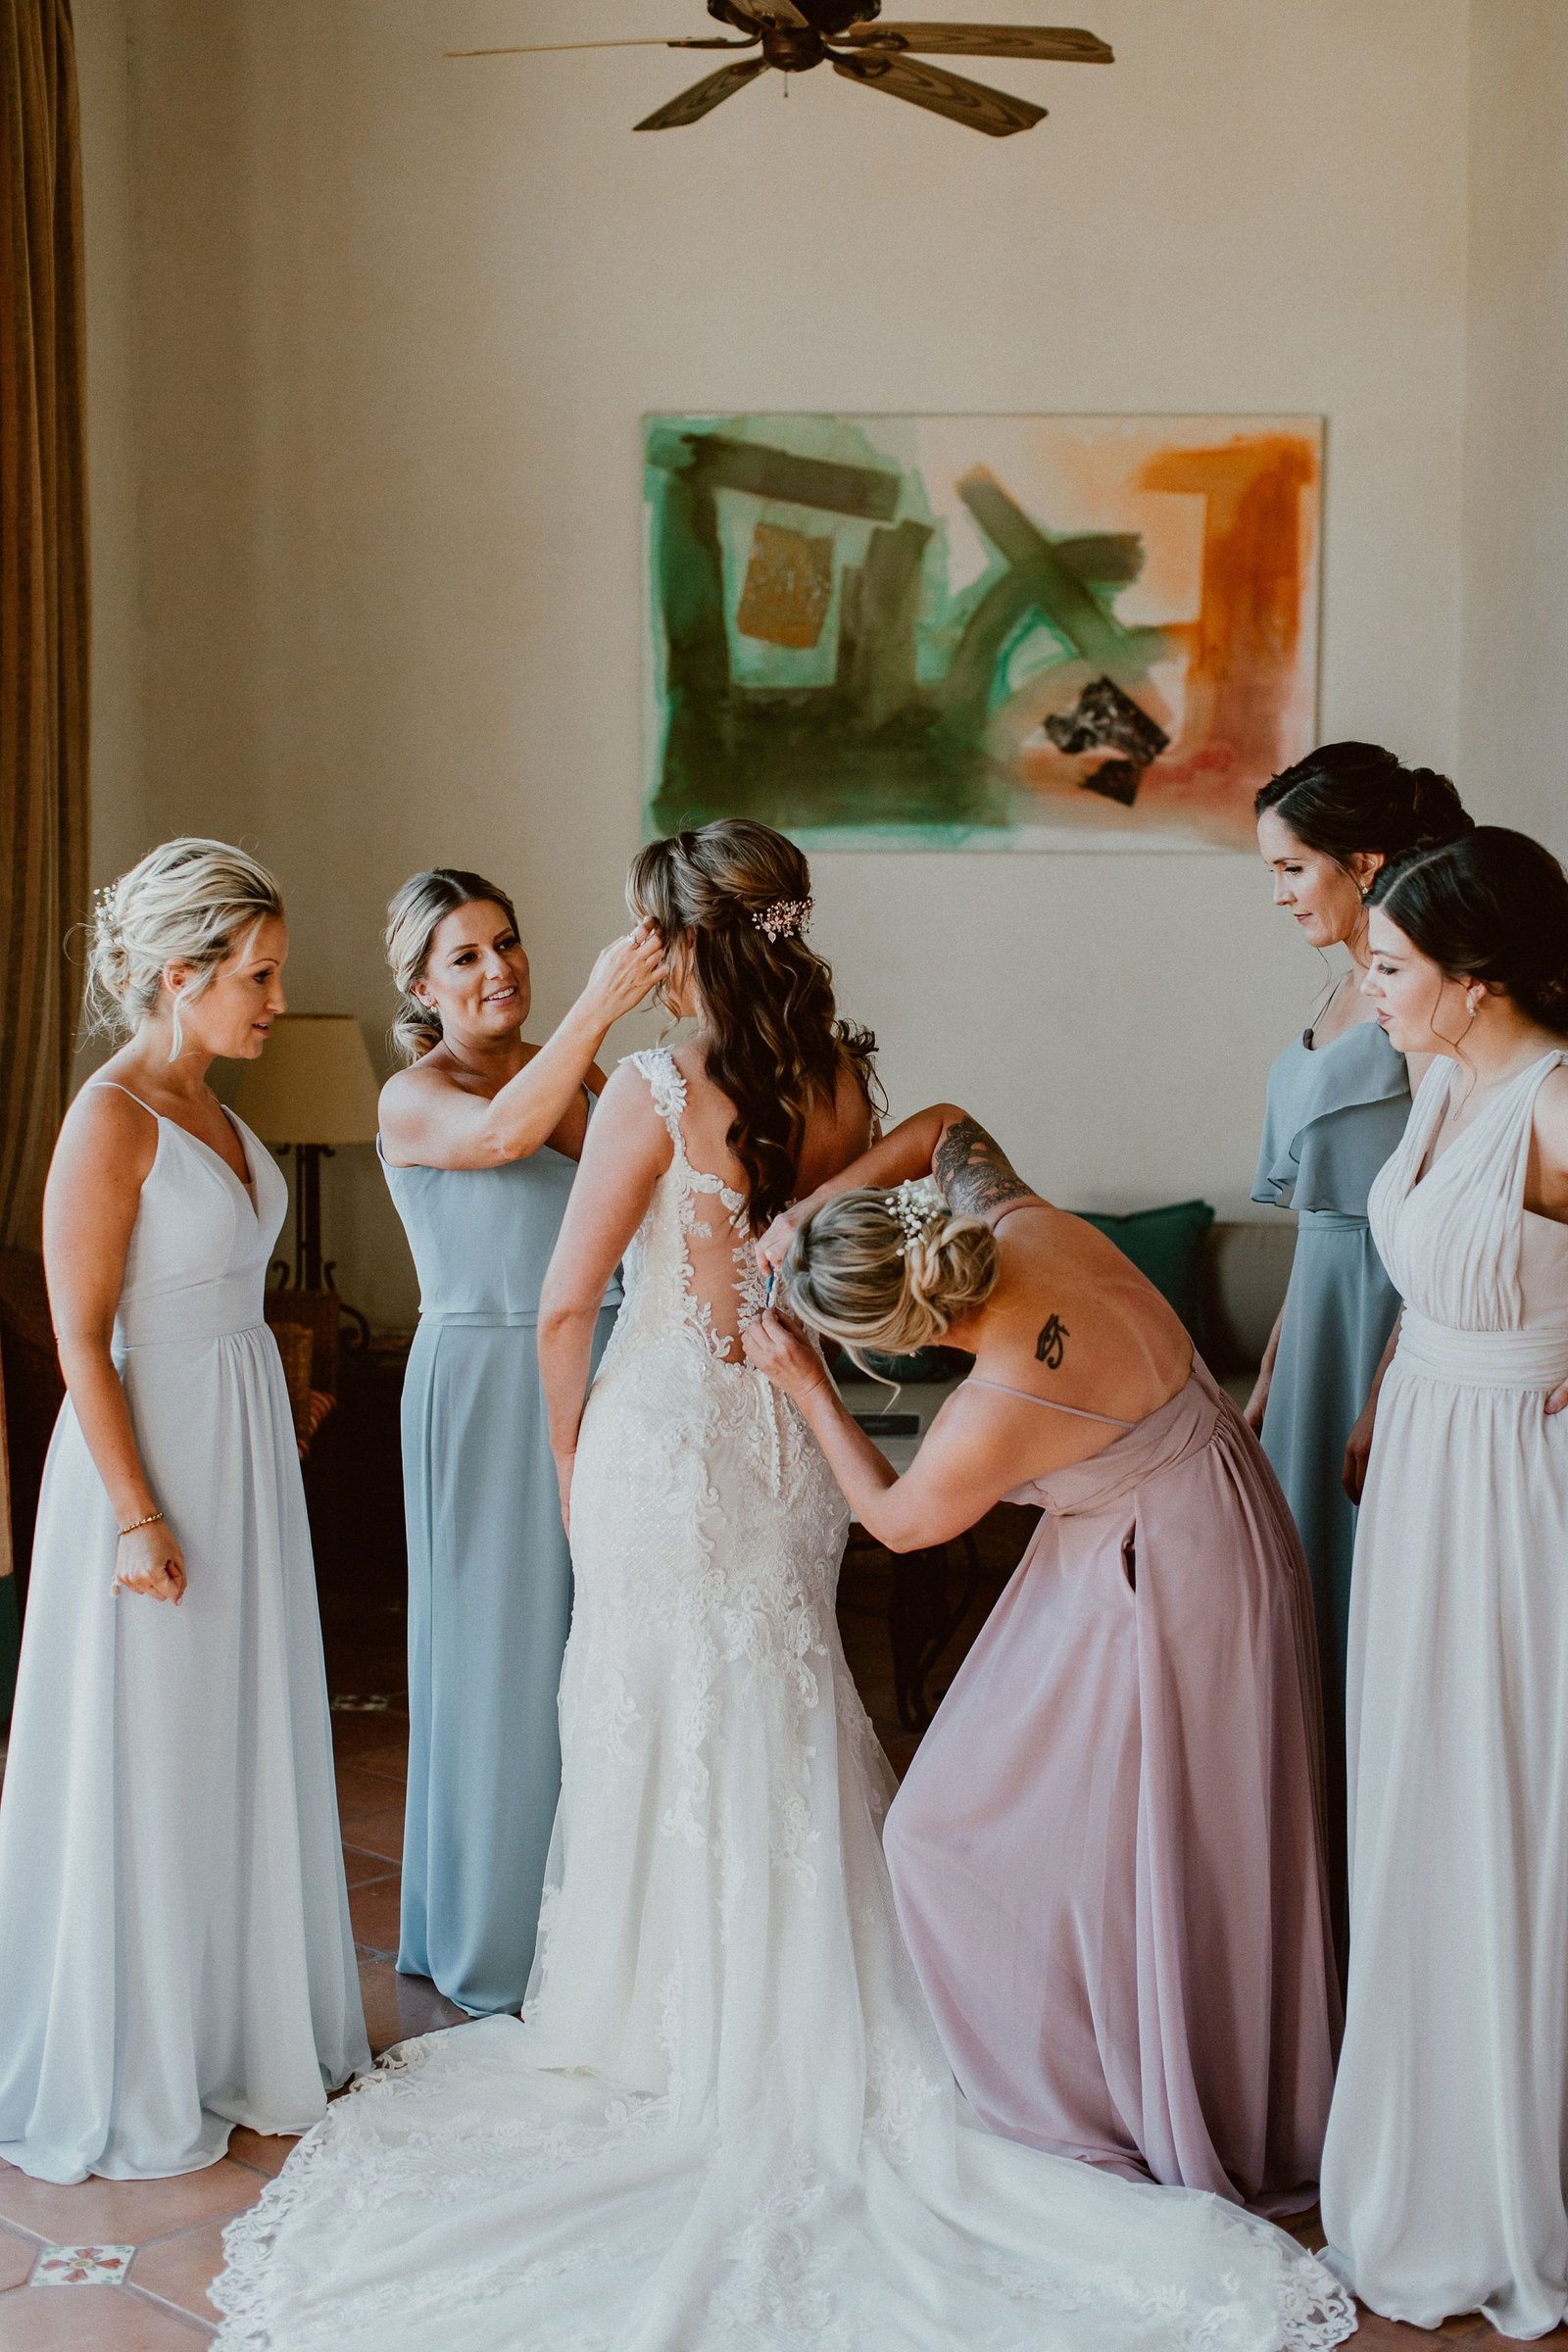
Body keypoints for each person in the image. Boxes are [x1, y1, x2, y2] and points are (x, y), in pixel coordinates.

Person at [211, 821, 1350, 2352]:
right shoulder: (840, 1080)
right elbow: (896, 1171)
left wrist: (572, 1492)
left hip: (668, 1443)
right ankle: (808, 1995)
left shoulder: (655, 1087)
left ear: (677, 945)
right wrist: (809, 1217)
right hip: (794, 1449)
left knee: (657, 1716)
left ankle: (654, 2025)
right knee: (788, 1687)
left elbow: (566, 1311)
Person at [750, 1106, 1340, 2213]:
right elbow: (946, 1128)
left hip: (1176, 1570)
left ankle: (1116, 2095)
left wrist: (804, 1385)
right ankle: (1125, 2053)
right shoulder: (1018, 1221)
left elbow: (896, 1520)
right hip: (1200, 1510)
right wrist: (811, 1216)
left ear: (891, 1342)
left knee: (1054, 1833)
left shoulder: (999, 1401)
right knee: (1130, 1828)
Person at [0, 839, 368, 2182]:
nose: (275, 999)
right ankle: (141, 2048)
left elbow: (215, 1286)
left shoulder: (214, 1105)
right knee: (151, 1746)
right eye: (258, 977)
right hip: (144, 1464)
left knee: (233, 1731)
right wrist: (140, 1516)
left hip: (239, 1438)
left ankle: (239, 2022)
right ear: (183, 973)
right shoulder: (110, 1118)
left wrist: (276, 1389)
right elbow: (81, 1337)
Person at [1318, 827, 1568, 2337]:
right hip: (1421, 1466)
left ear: (1474, 982)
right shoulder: (1439, 1079)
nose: (1372, 982)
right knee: (1413, 1793)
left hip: (1519, 1493)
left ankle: (1506, 2170)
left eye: (1395, 965)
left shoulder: (1557, 1100)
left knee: (1501, 1805)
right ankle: (1418, 2148)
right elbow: (1421, 1271)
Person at [378, 868, 661, 2015]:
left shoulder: (574, 1071)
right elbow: (502, 1138)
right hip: (487, 1381)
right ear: (420, 983)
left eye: (509, 942)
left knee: (587, 1649)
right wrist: (597, 1006)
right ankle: (493, 1937)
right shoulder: (414, 1094)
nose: (500, 970)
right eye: (467, 956)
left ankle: (583, 1923)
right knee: (497, 1656)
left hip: (598, 1366)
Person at [1250, 743, 1471, 1952]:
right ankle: (1308, 1891)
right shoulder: (1347, 989)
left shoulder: (1425, 999)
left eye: (1294, 868)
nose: (1280, 892)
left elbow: (1447, 1195)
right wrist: (1279, 1363)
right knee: (1297, 1594)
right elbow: (1318, 1222)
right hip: (1321, 1300)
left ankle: (1377, 1896)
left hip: (1396, 1309)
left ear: (1366, 864)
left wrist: (1383, 1383)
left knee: (1366, 1595)